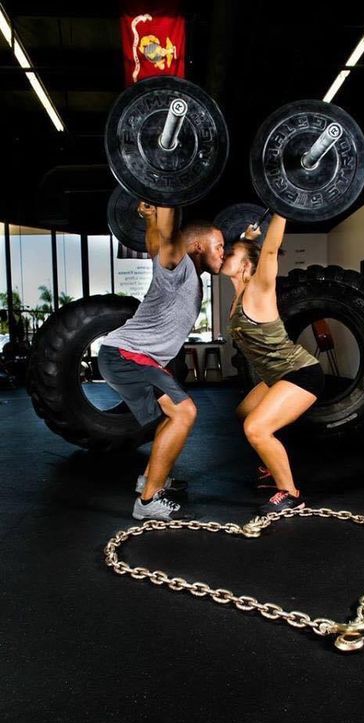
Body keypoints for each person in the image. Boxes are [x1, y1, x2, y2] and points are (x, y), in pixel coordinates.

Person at [98, 203, 224, 520]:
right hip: (127, 356)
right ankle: (148, 500)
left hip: (131, 357)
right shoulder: (179, 266)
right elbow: (167, 238)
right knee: (185, 412)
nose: (223, 252)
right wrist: (165, 193)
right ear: (197, 245)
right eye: (219, 246)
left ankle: (150, 479)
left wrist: (149, 217)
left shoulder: (183, 272)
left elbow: (157, 240)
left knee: (174, 416)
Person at [221, 214, 324, 514]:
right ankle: (271, 464)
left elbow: (269, 251)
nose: (225, 254)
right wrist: (247, 241)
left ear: (244, 265)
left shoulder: (258, 288)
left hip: (301, 373)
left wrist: (281, 209)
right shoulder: (238, 295)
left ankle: (290, 494)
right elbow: (254, 251)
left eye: (231, 253)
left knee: (256, 429)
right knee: (244, 413)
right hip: (277, 377)